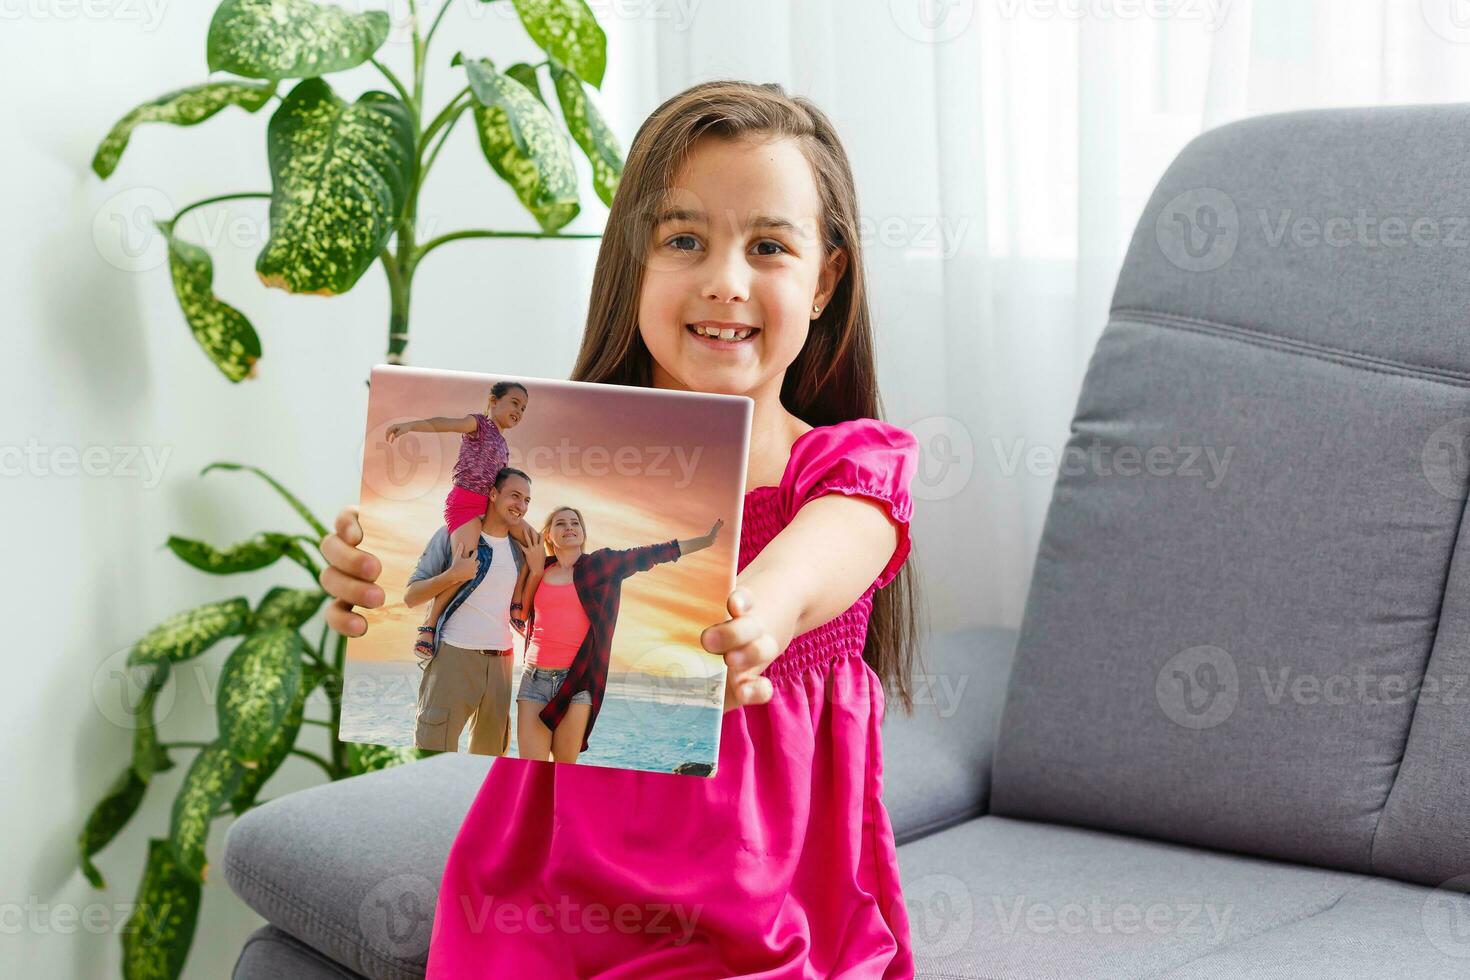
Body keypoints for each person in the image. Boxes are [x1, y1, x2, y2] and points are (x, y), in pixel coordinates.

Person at [320, 79, 923, 977]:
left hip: (758, 901)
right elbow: (485, 599)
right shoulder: (560, 471)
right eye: (684, 240)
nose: (726, 281)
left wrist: (753, 613)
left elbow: (822, 559)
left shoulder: (847, 468)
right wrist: (379, 588)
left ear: (826, 278)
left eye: (768, 247)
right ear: (631, 261)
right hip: (548, 878)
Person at [514, 504, 724, 764]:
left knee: (563, 770)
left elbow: (650, 554)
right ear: (548, 535)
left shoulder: (601, 565)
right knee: (529, 770)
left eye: (575, 522)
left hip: (578, 681)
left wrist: (704, 541)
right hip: (534, 679)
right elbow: (512, 528)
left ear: (582, 532)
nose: (569, 526)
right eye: (560, 523)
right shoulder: (539, 568)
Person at [385, 380, 537, 658]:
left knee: (534, 542)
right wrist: (410, 426)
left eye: (524, 408)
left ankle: (517, 605)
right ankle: (428, 627)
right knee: (465, 563)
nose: (519, 411)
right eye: (515, 403)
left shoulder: (504, 445)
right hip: (466, 504)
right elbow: (445, 423)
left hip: (489, 506)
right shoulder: (478, 425)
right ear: (493, 400)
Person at [403, 467, 535, 756]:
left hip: (502, 663)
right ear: (492, 493)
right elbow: (411, 596)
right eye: (514, 495)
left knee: (490, 762)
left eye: (527, 500)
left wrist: (536, 567)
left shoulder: (521, 548)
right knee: (432, 751)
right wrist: (452, 575)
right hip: (454, 657)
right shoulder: (455, 533)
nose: (521, 506)